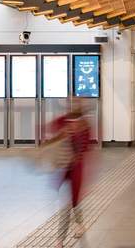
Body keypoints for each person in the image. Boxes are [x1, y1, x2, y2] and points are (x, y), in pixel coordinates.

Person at [48, 100, 91, 248]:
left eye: (77, 103)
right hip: (63, 171)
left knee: (73, 203)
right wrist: (62, 133)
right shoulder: (64, 121)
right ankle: (63, 238)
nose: (74, 105)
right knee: (68, 204)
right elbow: (52, 129)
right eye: (72, 102)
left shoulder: (85, 126)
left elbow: (84, 148)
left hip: (76, 172)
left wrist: (76, 155)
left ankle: (66, 235)